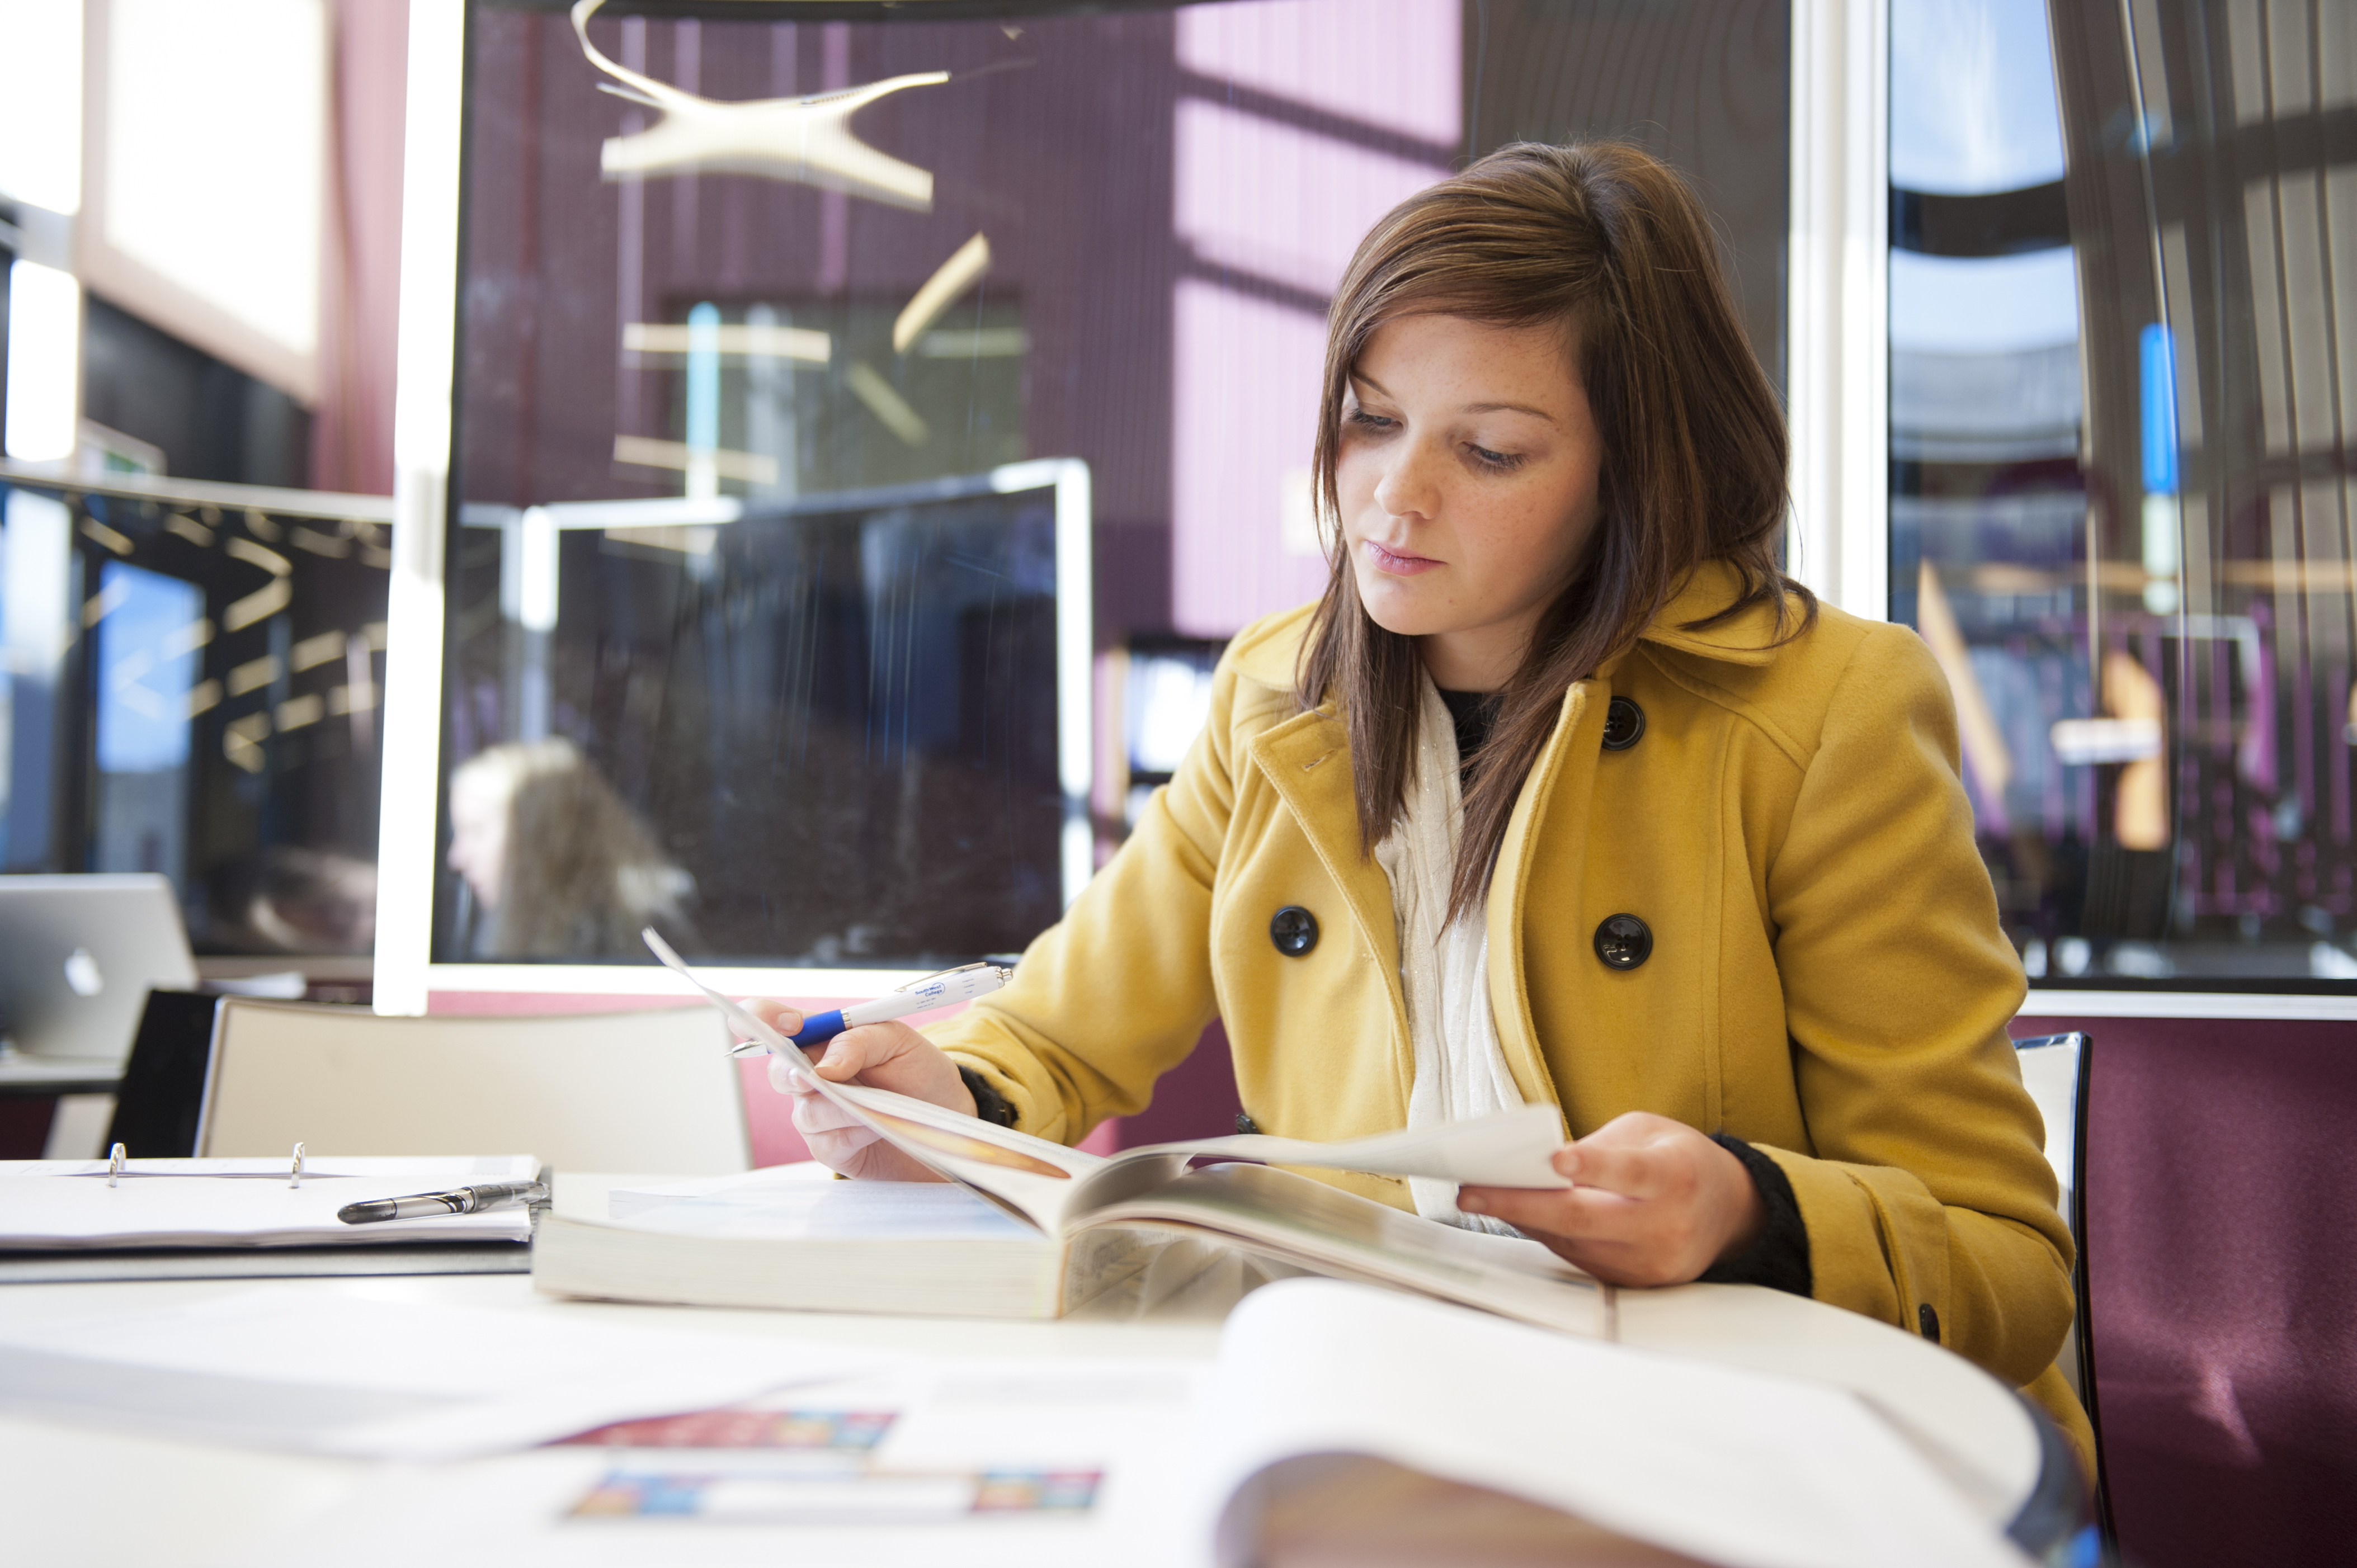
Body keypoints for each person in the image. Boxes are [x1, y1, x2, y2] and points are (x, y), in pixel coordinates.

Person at [748, 141, 2090, 1467]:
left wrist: (1749, 1208)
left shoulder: (1829, 711)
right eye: (1370, 417)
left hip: (1745, 1443)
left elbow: (2008, 1259)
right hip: (1389, 1407)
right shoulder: (1278, 692)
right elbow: (1058, 1032)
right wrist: (942, 1096)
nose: (1394, 494)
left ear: (1636, 474)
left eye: (1492, 449)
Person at [445, 737, 697, 958]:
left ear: (541, 840)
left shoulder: (639, 946)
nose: (456, 859)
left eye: (476, 831)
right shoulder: (512, 939)